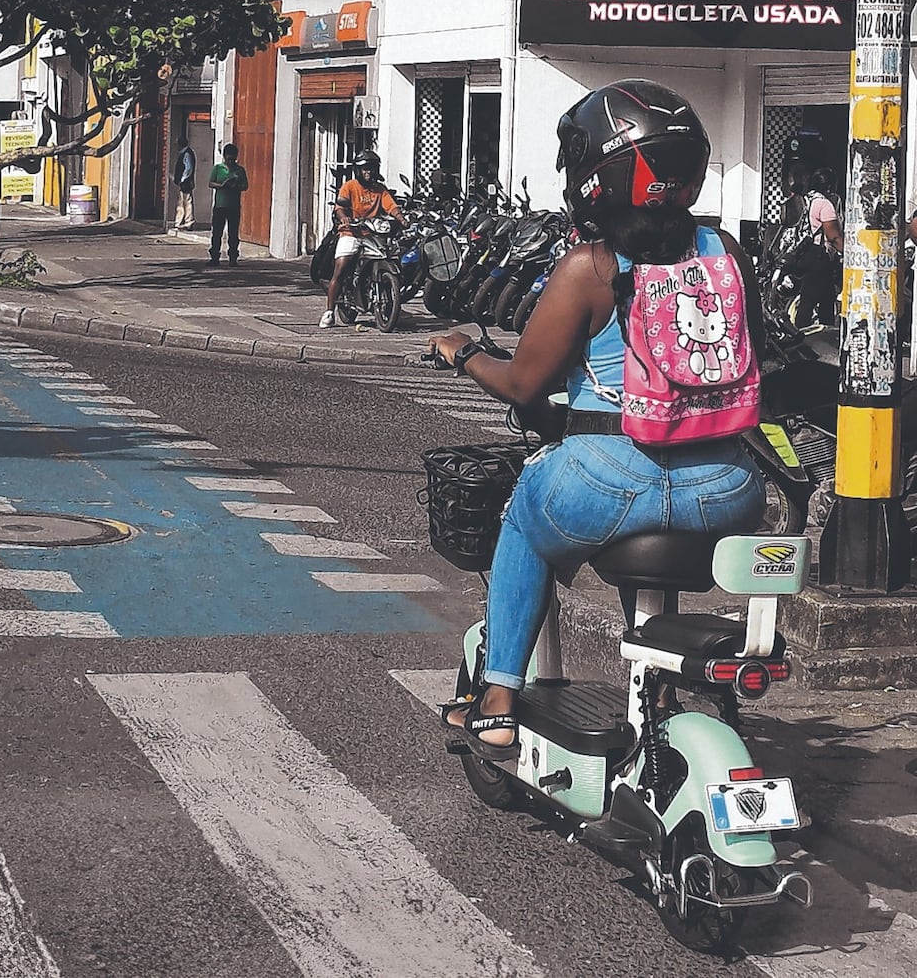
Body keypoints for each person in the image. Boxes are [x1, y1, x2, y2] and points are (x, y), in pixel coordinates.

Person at [428, 79, 765, 756]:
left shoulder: (591, 266)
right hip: (727, 484)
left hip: (608, 477)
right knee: (645, 517)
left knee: (524, 515)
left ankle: (496, 697)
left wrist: (463, 353)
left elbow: (525, 383)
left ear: (597, 179)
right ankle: (658, 687)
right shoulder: (724, 252)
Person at [320, 150, 406, 329]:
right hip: (350, 232)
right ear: (357, 170)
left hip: (372, 234)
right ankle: (329, 312)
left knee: (391, 256)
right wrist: (344, 217)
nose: (368, 172)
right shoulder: (349, 186)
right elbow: (340, 207)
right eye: (365, 169)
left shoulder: (380, 189)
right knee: (341, 267)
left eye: (371, 168)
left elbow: (391, 206)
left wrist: (402, 219)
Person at [786, 164, 844, 329]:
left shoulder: (806, 199)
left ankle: (826, 333)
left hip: (803, 254)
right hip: (818, 258)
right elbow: (833, 237)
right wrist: (849, 254)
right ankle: (802, 335)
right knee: (809, 299)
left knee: (827, 297)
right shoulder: (825, 205)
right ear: (829, 186)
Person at [207, 143, 248, 266]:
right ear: (224, 157)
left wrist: (236, 186)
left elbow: (245, 186)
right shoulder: (218, 168)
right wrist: (221, 185)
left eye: (233, 159)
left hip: (234, 205)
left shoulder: (240, 170)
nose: (230, 161)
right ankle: (214, 257)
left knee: (233, 233)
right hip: (220, 205)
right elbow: (210, 183)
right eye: (228, 159)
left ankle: (233, 257)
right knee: (217, 232)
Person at [171, 134, 196, 229]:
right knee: (181, 202)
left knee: (187, 201)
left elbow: (188, 168)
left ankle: (188, 222)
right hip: (183, 182)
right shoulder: (184, 153)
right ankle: (180, 221)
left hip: (185, 183)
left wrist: (182, 179)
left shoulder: (187, 154)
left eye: (177, 144)